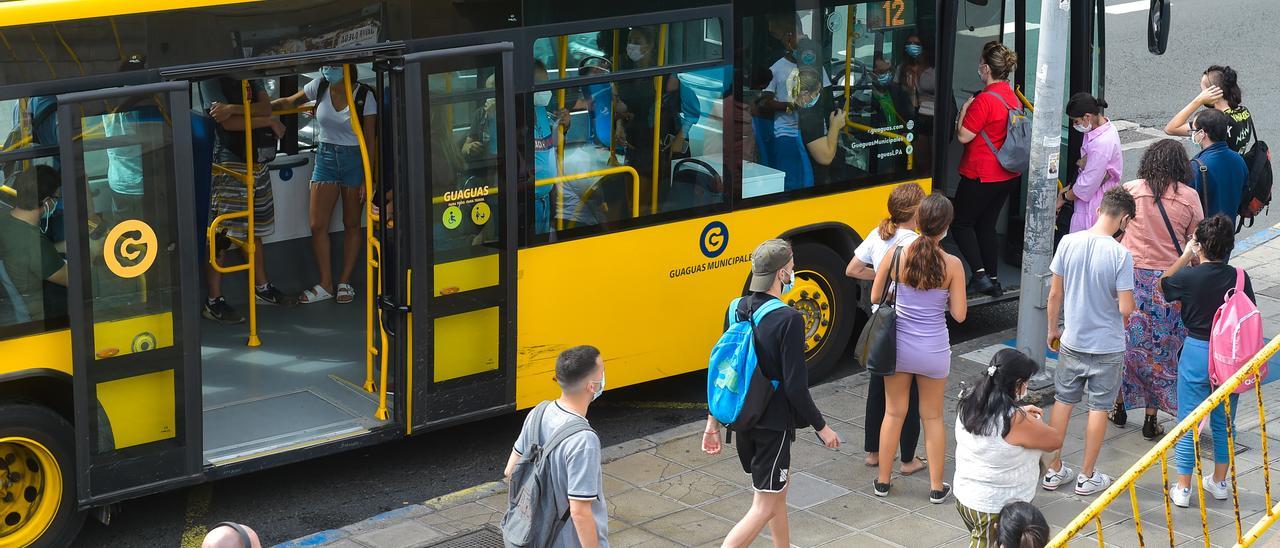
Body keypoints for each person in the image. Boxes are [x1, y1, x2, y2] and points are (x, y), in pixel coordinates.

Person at [702, 239, 841, 548]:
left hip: (743, 417)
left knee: (777, 487)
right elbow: (795, 387)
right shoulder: (789, 320)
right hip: (772, 424)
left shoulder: (735, 308)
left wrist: (711, 424)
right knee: (763, 505)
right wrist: (823, 427)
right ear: (781, 274)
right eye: (791, 269)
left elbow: (724, 371)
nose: (793, 274)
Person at [872, 194, 967, 503]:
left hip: (898, 347)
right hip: (933, 350)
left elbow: (876, 295)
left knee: (893, 412)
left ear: (918, 221)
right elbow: (960, 315)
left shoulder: (897, 254)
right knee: (932, 418)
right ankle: (937, 487)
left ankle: (883, 481)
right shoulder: (951, 264)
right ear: (946, 228)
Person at [1043, 186, 1137, 496]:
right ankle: (1086, 475)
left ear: (1099, 210)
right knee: (1098, 407)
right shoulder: (1121, 255)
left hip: (1072, 340)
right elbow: (1125, 308)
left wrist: (1052, 330)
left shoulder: (1069, 242)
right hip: (1107, 346)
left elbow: (1055, 293)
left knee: (1063, 401)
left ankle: (1053, 469)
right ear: (1124, 220)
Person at [1160, 215, 1254, 508]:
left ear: (1200, 245)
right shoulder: (1240, 277)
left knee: (1188, 419)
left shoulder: (1189, 277)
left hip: (1197, 351)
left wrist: (1187, 253)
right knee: (1225, 422)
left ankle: (1183, 487)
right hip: (1231, 357)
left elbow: (1163, 284)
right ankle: (1220, 482)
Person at [1116, 140, 1204, 439]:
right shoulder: (1189, 197)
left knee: (1126, 345)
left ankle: (1119, 405)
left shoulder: (1130, 189)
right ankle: (1151, 417)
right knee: (1162, 351)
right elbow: (1197, 241)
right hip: (1170, 282)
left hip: (1130, 277)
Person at [274, 64, 377, 305]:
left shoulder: (363, 96)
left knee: (351, 224)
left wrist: (368, 176)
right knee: (317, 224)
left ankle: (344, 281)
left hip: (355, 159)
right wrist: (251, 109)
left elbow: (370, 141)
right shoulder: (320, 86)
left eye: (332, 65)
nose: (326, 69)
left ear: (346, 67)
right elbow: (289, 102)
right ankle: (326, 283)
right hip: (326, 156)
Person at [845, 183, 927, 476]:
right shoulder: (916, 243)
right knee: (910, 393)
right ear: (917, 213)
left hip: (881, 321)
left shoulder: (879, 234)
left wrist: (879, 277)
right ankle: (908, 458)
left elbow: (852, 269)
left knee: (877, 387)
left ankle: (873, 452)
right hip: (906, 322)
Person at [201, 76, 289, 323]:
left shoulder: (251, 74)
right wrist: (268, 121)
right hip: (229, 161)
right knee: (221, 233)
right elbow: (227, 124)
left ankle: (261, 287)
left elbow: (265, 106)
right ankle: (214, 300)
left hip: (257, 160)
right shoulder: (212, 79)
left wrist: (235, 108)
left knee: (254, 229)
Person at [954, 349, 1062, 548]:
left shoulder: (970, 400)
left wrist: (1021, 412)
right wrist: (1029, 419)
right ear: (1017, 383)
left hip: (965, 496)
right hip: (994, 507)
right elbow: (1054, 441)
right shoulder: (1014, 420)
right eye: (1026, 382)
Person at [503, 345, 609, 547]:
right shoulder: (584, 440)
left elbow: (510, 470)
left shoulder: (538, 413)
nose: (604, 377)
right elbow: (579, 512)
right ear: (592, 386)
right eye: (602, 372)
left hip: (531, 536)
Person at [954, 41, 1021, 298]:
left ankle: (980, 275)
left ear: (986, 68)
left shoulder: (983, 101)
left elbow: (963, 136)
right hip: (1007, 174)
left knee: (960, 223)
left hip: (981, 174)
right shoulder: (1010, 96)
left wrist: (964, 110)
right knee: (986, 226)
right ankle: (993, 279)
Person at [0, 166, 67, 323]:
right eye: (56, 198)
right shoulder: (34, 243)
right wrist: (92, 251)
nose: (56, 203)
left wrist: (59, 247)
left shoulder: (6, 221)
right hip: (44, 315)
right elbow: (75, 279)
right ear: (46, 202)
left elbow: (25, 254)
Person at [1058, 93, 1121, 233]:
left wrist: (1064, 197)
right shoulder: (1104, 129)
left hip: (1093, 205)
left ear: (1087, 116)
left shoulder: (1101, 144)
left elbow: (1087, 185)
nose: (1075, 125)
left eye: (1076, 121)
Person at [1164, 65, 1253, 154]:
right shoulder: (1244, 111)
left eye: (1203, 91)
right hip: (1238, 165)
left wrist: (1198, 100)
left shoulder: (1213, 121)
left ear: (1212, 92)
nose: (1201, 94)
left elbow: (1170, 129)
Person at [792, 68, 851, 186]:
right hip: (811, 180)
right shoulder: (808, 118)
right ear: (804, 93)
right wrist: (835, 126)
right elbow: (826, 158)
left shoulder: (792, 108)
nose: (817, 97)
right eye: (816, 94)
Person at [1187, 109, 1248, 223]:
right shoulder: (1239, 160)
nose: (1192, 134)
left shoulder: (1196, 166)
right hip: (1228, 232)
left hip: (1204, 234)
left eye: (1194, 130)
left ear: (1202, 133)